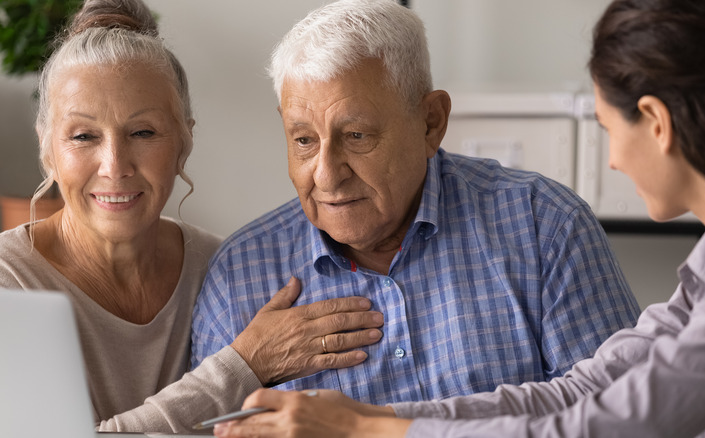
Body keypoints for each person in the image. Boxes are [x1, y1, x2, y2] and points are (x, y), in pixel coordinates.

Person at [211, 0, 705, 436]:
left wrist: (363, 431)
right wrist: (371, 418)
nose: (611, 159)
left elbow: (600, 426)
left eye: (357, 136)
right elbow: (580, 391)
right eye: (303, 140)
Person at [192, 0, 640, 406]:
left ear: (431, 123)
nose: (326, 175)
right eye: (304, 140)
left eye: (357, 136)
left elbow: (622, 418)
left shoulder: (545, 227)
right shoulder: (239, 278)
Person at [0, 0, 384, 433]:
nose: (115, 165)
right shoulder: (9, 282)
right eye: (83, 135)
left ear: (184, 141)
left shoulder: (223, 269)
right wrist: (245, 364)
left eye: (142, 132)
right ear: (47, 147)